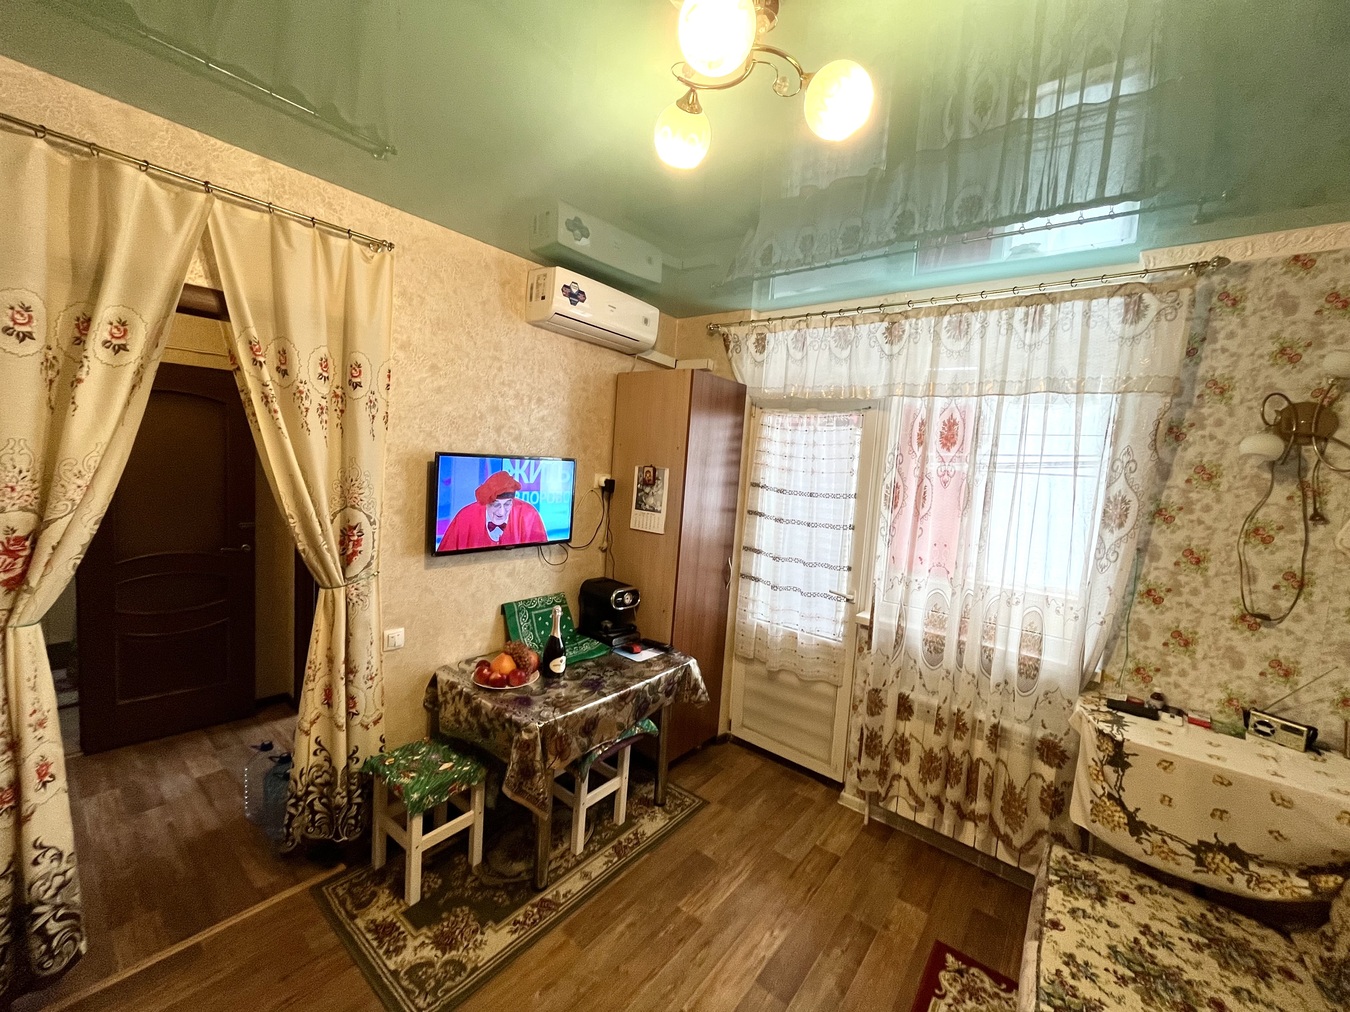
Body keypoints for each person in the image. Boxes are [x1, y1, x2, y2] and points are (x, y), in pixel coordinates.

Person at [439, 470, 547, 551]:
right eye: (496, 505)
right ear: (486, 503)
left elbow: (541, 553)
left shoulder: (529, 514)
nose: (501, 512)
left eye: (507, 504)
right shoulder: (465, 517)